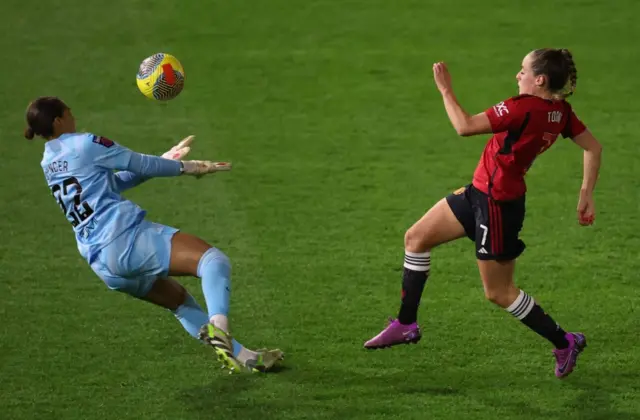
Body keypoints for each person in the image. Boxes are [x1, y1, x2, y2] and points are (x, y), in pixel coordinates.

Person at [364, 48, 602, 379]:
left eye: (523, 70)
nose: (518, 75)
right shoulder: (559, 111)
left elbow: (464, 126)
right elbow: (593, 146)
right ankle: (406, 323)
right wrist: (585, 195)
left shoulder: (521, 109)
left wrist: (446, 90)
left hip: (497, 207)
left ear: (540, 79)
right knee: (416, 238)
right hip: (479, 193)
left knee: (499, 292)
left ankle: (565, 341)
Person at [28, 96, 282, 374]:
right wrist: (189, 167)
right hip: (124, 239)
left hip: (101, 263)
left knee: (179, 302)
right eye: (69, 112)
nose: (74, 117)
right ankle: (220, 327)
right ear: (58, 120)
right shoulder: (84, 144)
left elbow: (115, 182)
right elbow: (138, 163)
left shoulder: (49, 161)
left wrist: (164, 160)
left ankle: (244, 357)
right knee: (213, 261)